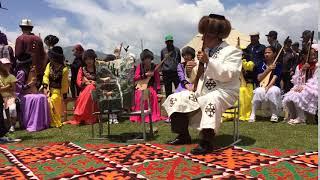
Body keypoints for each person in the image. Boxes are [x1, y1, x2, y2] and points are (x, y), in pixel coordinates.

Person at [162, 14, 242, 155]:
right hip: (202, 91)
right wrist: (189, 70)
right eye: (203, 35)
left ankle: (207, 141)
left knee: (211, 100)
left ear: (218, 37)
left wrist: (208, 62)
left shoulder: (232, 52)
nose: (204, 39)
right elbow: (197, 77)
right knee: (177, 97)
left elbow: (229, 74)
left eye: (207, 36)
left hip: (224, 91)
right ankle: (183, 135)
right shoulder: (204, 52)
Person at [283, 45, 318, 124]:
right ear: (304, 56)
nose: (313, 56)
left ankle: (301, 118)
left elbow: (315, 80)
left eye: (314, 54)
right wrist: (302, 70)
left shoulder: (317, 65)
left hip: (314, 88)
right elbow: (296, 80)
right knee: (289, 95)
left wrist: (304, 87)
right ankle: (293, 115)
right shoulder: (299, 66)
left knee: (298, 95)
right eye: (311, 55)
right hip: (302, 87)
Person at [15, 53, 50, 132]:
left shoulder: (31, 70)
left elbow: (34, 84)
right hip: (22, 95)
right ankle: (32, 123)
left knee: (42, 97)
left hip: (30, 93)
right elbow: (18, 88)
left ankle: (42, 123)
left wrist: (36, 83)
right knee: (36, 98)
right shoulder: (21, 72)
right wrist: (29, 84)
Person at [249, 46, 282, 123]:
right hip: (262, 85)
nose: (266, 54)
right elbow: (259, 78)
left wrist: (268, 87)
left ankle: (274, 114)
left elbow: (275, 78)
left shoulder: (278, 65)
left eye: (269, 52)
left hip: (273, 86)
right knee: (258, 91)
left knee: (273, 91)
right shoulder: (261, 64)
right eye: (265, 53)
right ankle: (253, 114)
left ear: (274, 54)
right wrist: (268, 70)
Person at [130, 49, 164, 123]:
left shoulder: (154, 66)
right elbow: (135, 78)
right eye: (146, 58)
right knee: (139, 95)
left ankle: (149, 114)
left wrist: (158, 91)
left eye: (149, 58)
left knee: (149, 94)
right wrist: (145, 75)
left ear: (151, 58)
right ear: (143, 59)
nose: (147, 60)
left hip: (150, 87)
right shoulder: (140, 66)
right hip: (141, 86)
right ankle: (140, 114)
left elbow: (157, 80)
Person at [66, 49, 97, 125]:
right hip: (85, 89)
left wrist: (94, 83)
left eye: (90, 59)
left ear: (93, 59)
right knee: (89, 88)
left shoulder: (98, 69)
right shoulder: (82, 69)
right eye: (87, 59)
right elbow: (78, 82)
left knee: (91, 88)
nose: (88, 61)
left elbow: (102, 80)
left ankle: (84, 115)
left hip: (96, 90)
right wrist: (86, 82)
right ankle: (84, 116)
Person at [15, 19, 46, 89]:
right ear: (31, 28)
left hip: (24, 72)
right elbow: (43, 55)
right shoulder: (38, 39)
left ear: (22, 28)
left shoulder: (20, 39)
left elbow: (17, 55)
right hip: (38, 71)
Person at [43, 46, 69, 128]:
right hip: (48, 89)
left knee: (53, 100)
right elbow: (46, 76)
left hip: (58, 92)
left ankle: (55, 122)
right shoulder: (49, 65)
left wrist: (63, 95)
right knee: (42, 99)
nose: (50, 58)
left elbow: (64, 84)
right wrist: (45, 87)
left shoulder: (64, 69)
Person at [0, 58, 17, 132]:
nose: (6, 66)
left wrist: (3, 88)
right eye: (4, 65)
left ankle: (12, 125)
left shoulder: (11, 76)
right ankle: (7, 127)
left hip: (10, 97)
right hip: (1, 98)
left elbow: (13, 88)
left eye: (8, 65)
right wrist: (8, 86)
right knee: (4, 114)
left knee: (12, 110)